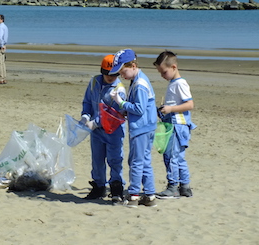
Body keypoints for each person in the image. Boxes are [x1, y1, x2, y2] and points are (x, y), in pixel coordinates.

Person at [109, 49, 157, 208]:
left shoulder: (140, 84)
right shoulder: (138, 81)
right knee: (144, 161)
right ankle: (149, 195)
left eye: (123, 72)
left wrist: (121, 103)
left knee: (136, 162)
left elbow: (139, 108)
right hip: (146, 126)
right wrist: (124, 111)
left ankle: (134, 195)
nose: (122, 75)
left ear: (134, 66)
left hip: (141, 129)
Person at [81, 54, 127, 205]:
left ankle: (116, 189)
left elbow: (114, 113)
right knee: (97, 159)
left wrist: (95, 122)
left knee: (115, 160)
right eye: (107, 74)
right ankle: (99, 187)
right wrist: (85, 116)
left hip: (114, 131)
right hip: (97, 132)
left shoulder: (119, 89)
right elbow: (87, 101)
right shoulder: (94, 82)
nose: (110, 77)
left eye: (114, 74)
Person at [153, 50, 197, 199]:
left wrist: (170, 109)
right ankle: (185, 186)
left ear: (173, 67)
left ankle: (173, 187)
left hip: (177, 126)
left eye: (164, 72)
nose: (162, 75)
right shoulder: (174, 83)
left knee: (171, 156)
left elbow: (190, 104)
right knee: (178, 157)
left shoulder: (180, 83)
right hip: (175, 123)